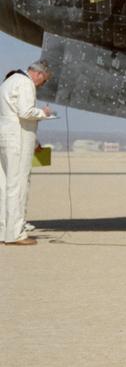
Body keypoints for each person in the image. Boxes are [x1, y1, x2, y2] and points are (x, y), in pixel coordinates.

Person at [1, 60, 54, 246]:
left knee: (5, 185)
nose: (41, 85)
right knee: (18, 185)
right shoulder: (25, 83)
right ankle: (16, 233)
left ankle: (3, 231)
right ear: (39, 74)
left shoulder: (9, 81)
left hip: (5, 136)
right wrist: (44, 113)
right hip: (18, 139)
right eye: (43, 81)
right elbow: (25, 112)